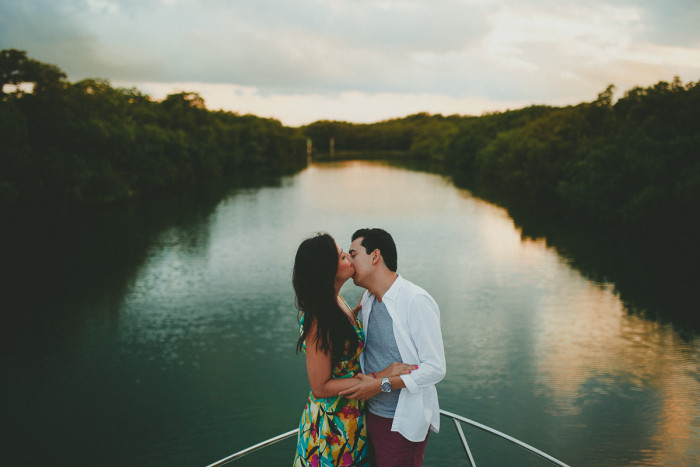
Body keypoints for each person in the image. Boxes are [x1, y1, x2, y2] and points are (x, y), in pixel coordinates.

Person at [292, 233, 416, 467]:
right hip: (331, 427)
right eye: (341, 256)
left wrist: (363, 312)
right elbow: (320, 387)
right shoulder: (319, 319)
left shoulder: (336, 301)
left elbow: (341, 344)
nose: (348, 256)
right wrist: (379, 377)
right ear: (326, 269)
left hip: (352, 417)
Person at [339, 228, 446, 467]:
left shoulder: (415, 300)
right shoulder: (367, 299)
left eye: (353, 254)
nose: (349, 260)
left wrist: (381, 384)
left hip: (401, 422)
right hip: (368, 416)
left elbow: (436, 368)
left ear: (375, 256)